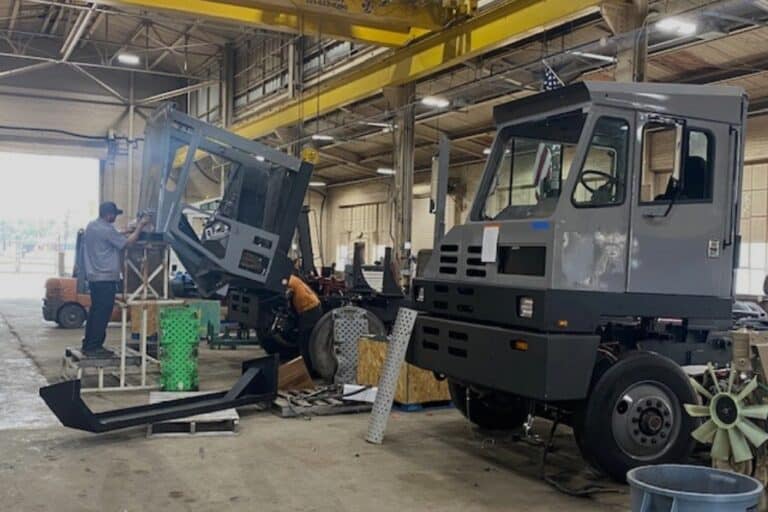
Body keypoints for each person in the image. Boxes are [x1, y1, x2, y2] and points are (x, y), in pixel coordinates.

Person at [81, 202, 149, 357]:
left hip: (94, 277)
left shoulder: (92, 226)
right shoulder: (106, 230)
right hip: (105, 278)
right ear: (109, 215)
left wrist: (127, 230)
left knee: (95, 311)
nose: (115, 218)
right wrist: (140, 227)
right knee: (103, 313)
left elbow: (113, 235)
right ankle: (94, 347)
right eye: (115, 215)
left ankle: (88, 344)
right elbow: (127, 243)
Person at [286, 274, 322, 372]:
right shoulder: (292, 279)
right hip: (310, 307)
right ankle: (309, 367)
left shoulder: (289, 281)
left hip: (310, 309)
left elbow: (286, 295)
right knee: (306, 339)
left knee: (306, 340)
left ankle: (309, 370)